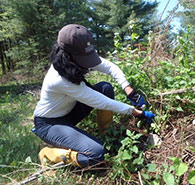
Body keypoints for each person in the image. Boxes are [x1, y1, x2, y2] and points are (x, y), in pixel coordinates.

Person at [32, 24, 156, 168]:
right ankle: (48, 155)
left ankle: (107, 134)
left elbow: (110, 67)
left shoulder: (76, 59)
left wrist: (129, 91)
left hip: (70, 112)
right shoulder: (58, 78)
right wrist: (137, 112)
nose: (88, 64)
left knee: (105, 87)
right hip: (50, 124)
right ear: (69, 55)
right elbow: (101, 102)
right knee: (99, 155)